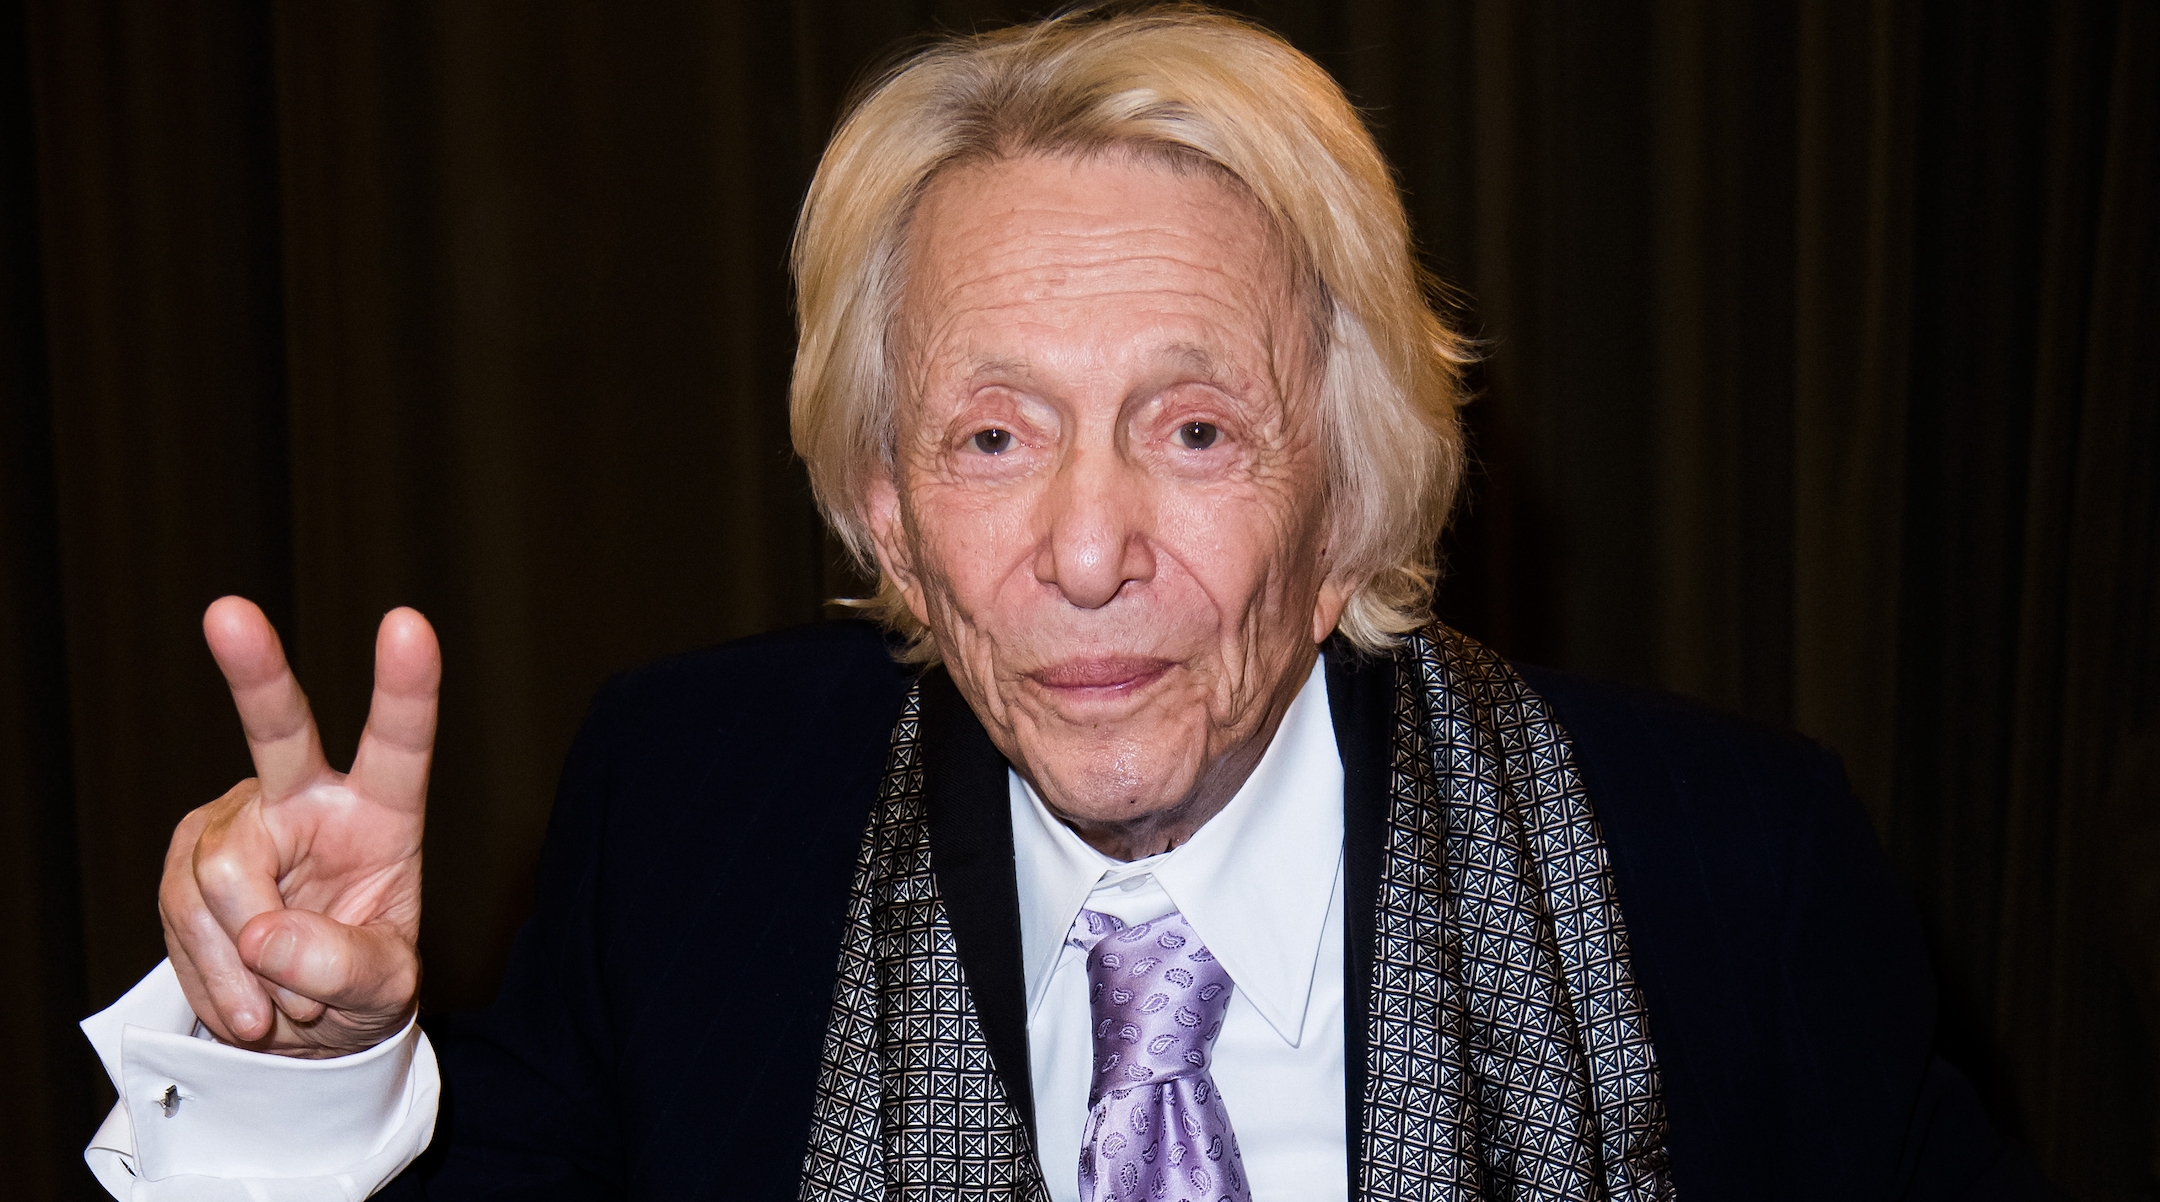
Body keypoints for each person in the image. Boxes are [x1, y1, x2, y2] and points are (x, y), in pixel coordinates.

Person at [82, 8, 2047, 1201]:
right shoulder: (694, 813)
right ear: (886, 509)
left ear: (1352, 486)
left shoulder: (1725, 870)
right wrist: (300, 1074)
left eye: (1194, 430)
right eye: (994, 438)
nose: (1088, 551)